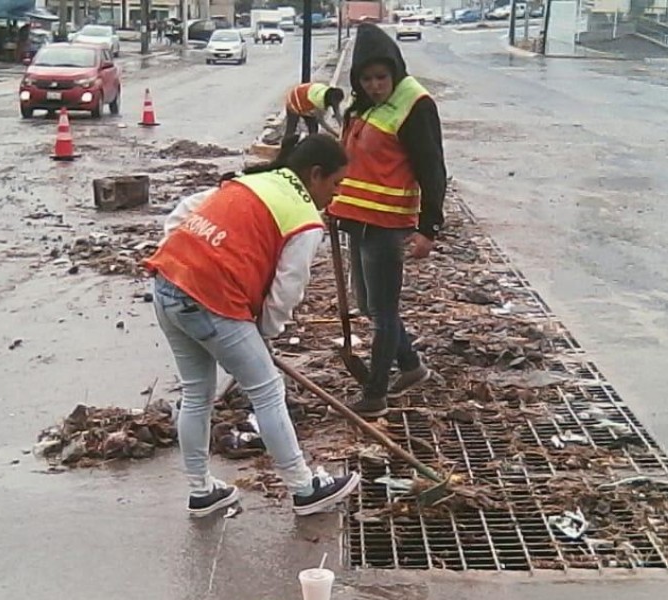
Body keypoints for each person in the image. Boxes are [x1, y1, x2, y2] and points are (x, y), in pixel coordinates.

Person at [143, 134, 361, 518]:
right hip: (213, 300)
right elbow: (287, 289)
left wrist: (187, 258)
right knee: (267, 391)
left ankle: (201, 491)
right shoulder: (304, 218)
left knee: (197, 393)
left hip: (167, 283)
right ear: (315, 175)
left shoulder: (252, 180)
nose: (336, 194)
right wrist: (265, 334)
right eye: (336, 184)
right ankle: (303, 487)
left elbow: (184, 212)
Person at [327, 23, 446, 418]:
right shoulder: (362, 106)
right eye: (367, 78)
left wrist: (428, 228)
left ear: (395, 71)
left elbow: (433, 169)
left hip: (388, 224)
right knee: (370, 306)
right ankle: (411, 367)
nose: (376, 85)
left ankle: (375, 394)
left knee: (382, 311)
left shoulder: (415, 105)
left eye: (382, 77)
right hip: (356, 220)